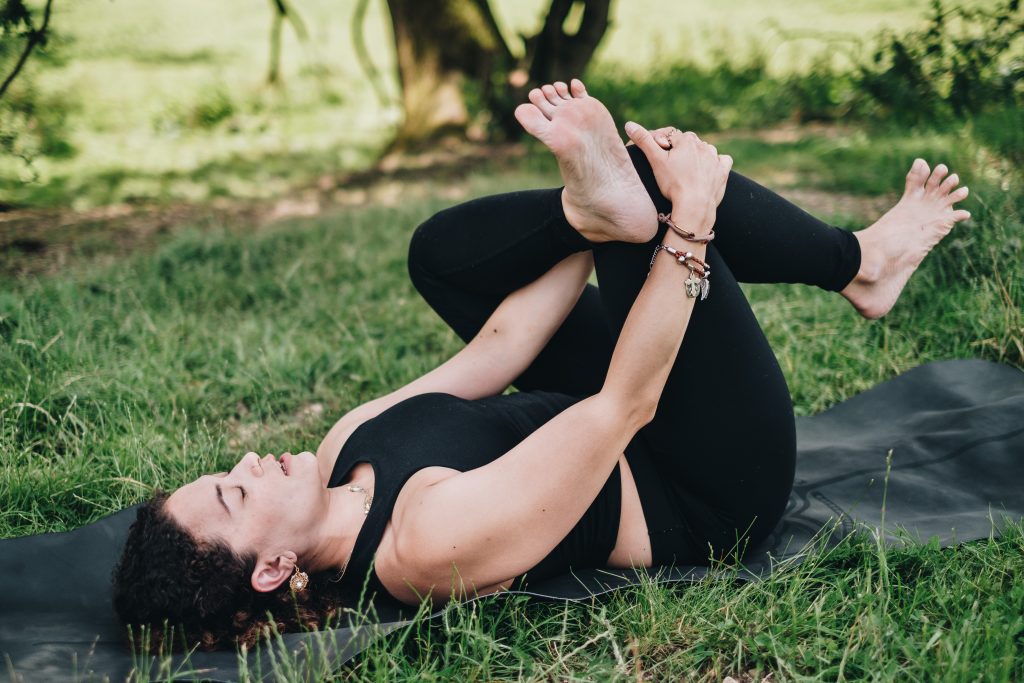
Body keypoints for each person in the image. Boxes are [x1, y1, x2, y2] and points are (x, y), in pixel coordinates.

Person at [111, 79, 970, 651]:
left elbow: (502, 347)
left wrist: (587, 219)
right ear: (271, 570)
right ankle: (863, 262)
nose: (248, 462)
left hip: (622, 411)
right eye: (235, 492)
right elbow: (622, 407)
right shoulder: (421, 545)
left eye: (223, 470)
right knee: (650, 203)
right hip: (710, 479)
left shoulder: (343, 448)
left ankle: (622, 203)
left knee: (445, 253)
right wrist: (690, 222)